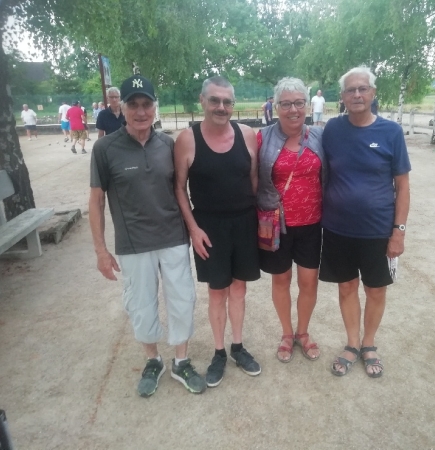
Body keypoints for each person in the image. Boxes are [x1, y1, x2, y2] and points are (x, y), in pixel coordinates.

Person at [89, 74, 206, 397]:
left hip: (172, 237)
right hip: (133, 243)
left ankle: (181, 361)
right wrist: (100, 250)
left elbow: (181, 189)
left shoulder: (168, 144)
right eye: (133, 105)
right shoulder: (105, 148)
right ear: (121, 108)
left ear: (155, 107)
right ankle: (152, 359)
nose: (141, 111)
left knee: (182, 299)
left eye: (146, 104)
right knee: (140, 304)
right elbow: (96, 201)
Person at [320, 66, 411, 379]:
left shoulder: (391, 132)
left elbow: (403, 186)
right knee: (346, 287)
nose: (356, 95)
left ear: (373, 93)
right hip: (337, 228)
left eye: (362, 89)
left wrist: (398, 231)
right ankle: (352, 343)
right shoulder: (332, 129)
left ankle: (369, 344)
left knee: (375, 290)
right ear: (342, 97)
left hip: (377, 229)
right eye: (350, 90)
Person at [174, 76, 261, 388]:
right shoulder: (187, 139)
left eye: (227, 101)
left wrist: (257, 220)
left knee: (239, 289)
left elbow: (252, 179)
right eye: (215, 100)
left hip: (244, 223)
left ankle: (238, 347)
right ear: (203, 101)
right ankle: (219, 352)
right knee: (217, 291)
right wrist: (193, 228)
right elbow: (179, 188)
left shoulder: (248, 135)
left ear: (232, 105)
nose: (221, 107)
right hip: (209, 227)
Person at [257, 77, 325, 363]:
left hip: (312, 224)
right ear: (276, 106)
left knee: (309, 282)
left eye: (299, 103)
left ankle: (303, 332)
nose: (293, 109)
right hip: (275, 226)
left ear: (307, 105)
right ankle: (287, 333)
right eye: (286, 104)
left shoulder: (320, 136)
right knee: (281, 280)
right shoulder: (261, 137)